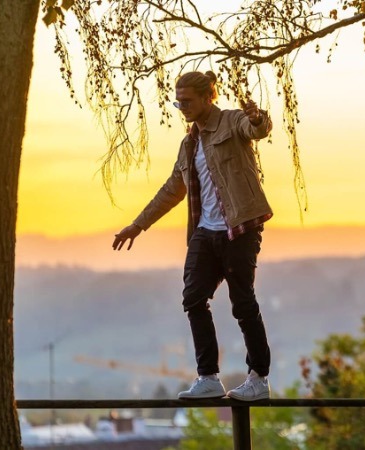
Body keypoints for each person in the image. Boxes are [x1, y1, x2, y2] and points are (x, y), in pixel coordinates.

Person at [112, 71, 273, 401]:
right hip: (205, 232)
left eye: (187, 101)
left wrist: (258, 118)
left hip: (239, 227)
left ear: (208, 96)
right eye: (178, 101)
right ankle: (209, 377)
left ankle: (259, 378)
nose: (181, 106)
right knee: (193, 298)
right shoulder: (189, 144)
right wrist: (137, 225)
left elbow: (255, 129)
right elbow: (172, 189)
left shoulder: (231, 121)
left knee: (242, 301)